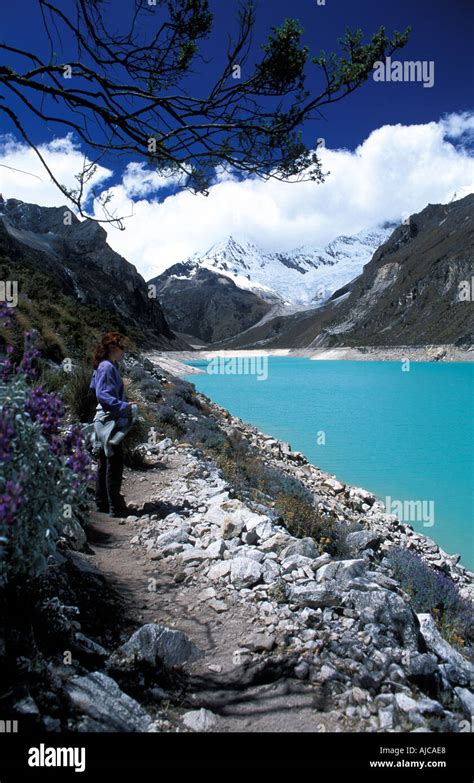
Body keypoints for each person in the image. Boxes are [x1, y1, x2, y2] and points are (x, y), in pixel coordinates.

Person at [89, 332, 136, 518]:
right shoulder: (108, 367)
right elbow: (104, 395)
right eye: (122, 347)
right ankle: (115, 506)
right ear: (113, 348)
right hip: (110, 421)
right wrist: (124, 407)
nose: (124, 351)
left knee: (103, 461)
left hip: (102, 420)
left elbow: (94, 389)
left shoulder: (103, 366)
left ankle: (102, 504)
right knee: (114, 463)